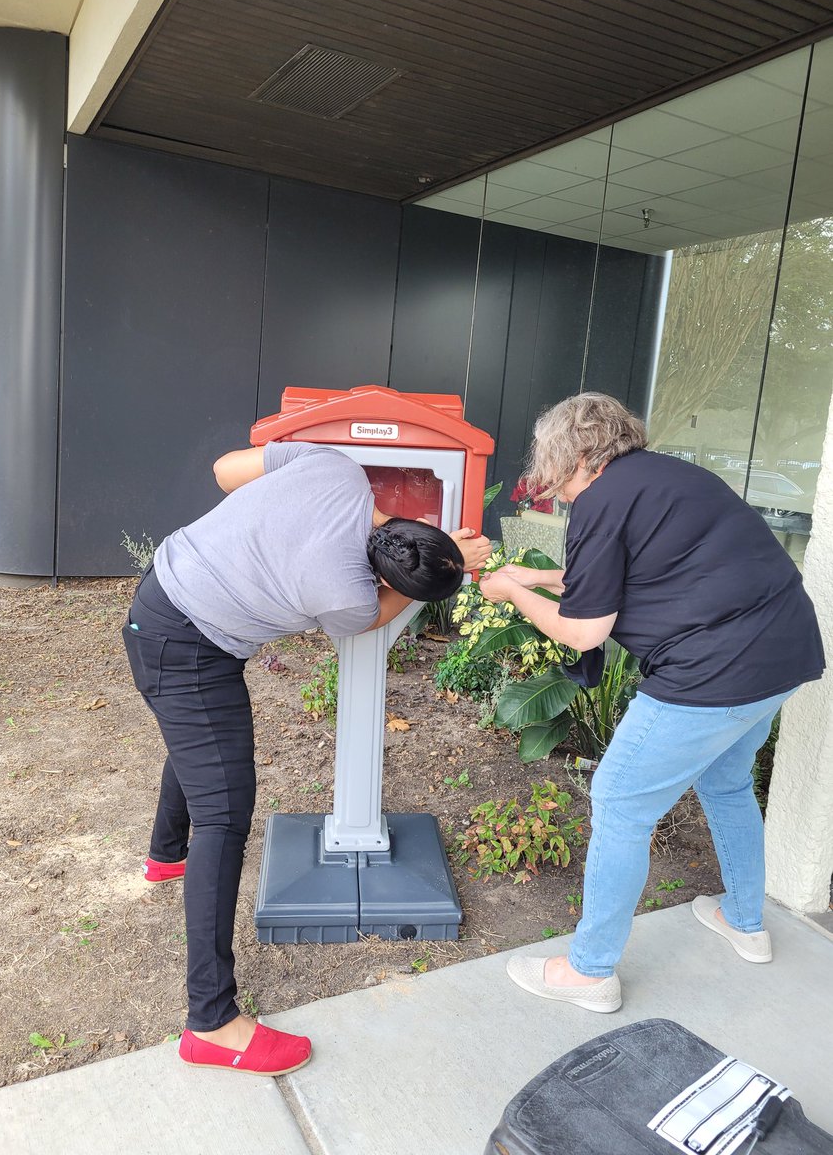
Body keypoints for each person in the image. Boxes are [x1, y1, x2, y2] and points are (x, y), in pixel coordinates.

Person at [123, 440, 491, 1072]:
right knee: (225, 816)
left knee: (200, 741)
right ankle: (210, 1022)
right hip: (189, 651)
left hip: (163, 596)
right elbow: (376, 614)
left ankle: (166, 856)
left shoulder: (336, 469)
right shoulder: (348, 596)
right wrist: (441, 573)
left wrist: (287, 532)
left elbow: (224, 471)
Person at [480, 392, 824, 1014]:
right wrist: (539, 579)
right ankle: (745, 921)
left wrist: (510, 592)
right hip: (783, 656)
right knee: (726, 782)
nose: (548, 476)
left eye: (551, 460)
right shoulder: (674, 478)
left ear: (579, 452)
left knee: (619, 802)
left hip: (711, 674)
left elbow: (584, 631)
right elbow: (649, 570)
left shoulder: (601, 501)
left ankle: (589, 971)